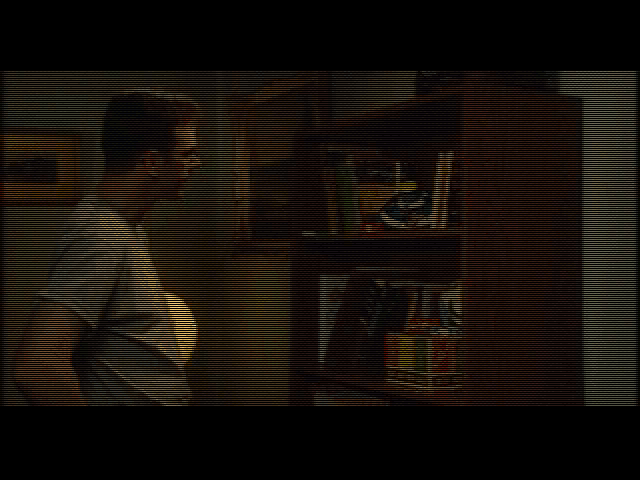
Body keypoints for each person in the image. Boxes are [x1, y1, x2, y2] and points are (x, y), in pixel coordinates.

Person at [11, 88, 203, 405]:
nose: (196, 163)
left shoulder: (127, 227)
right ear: (152, 162)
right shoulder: (101, 235)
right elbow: (37, 366)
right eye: (187, 155)